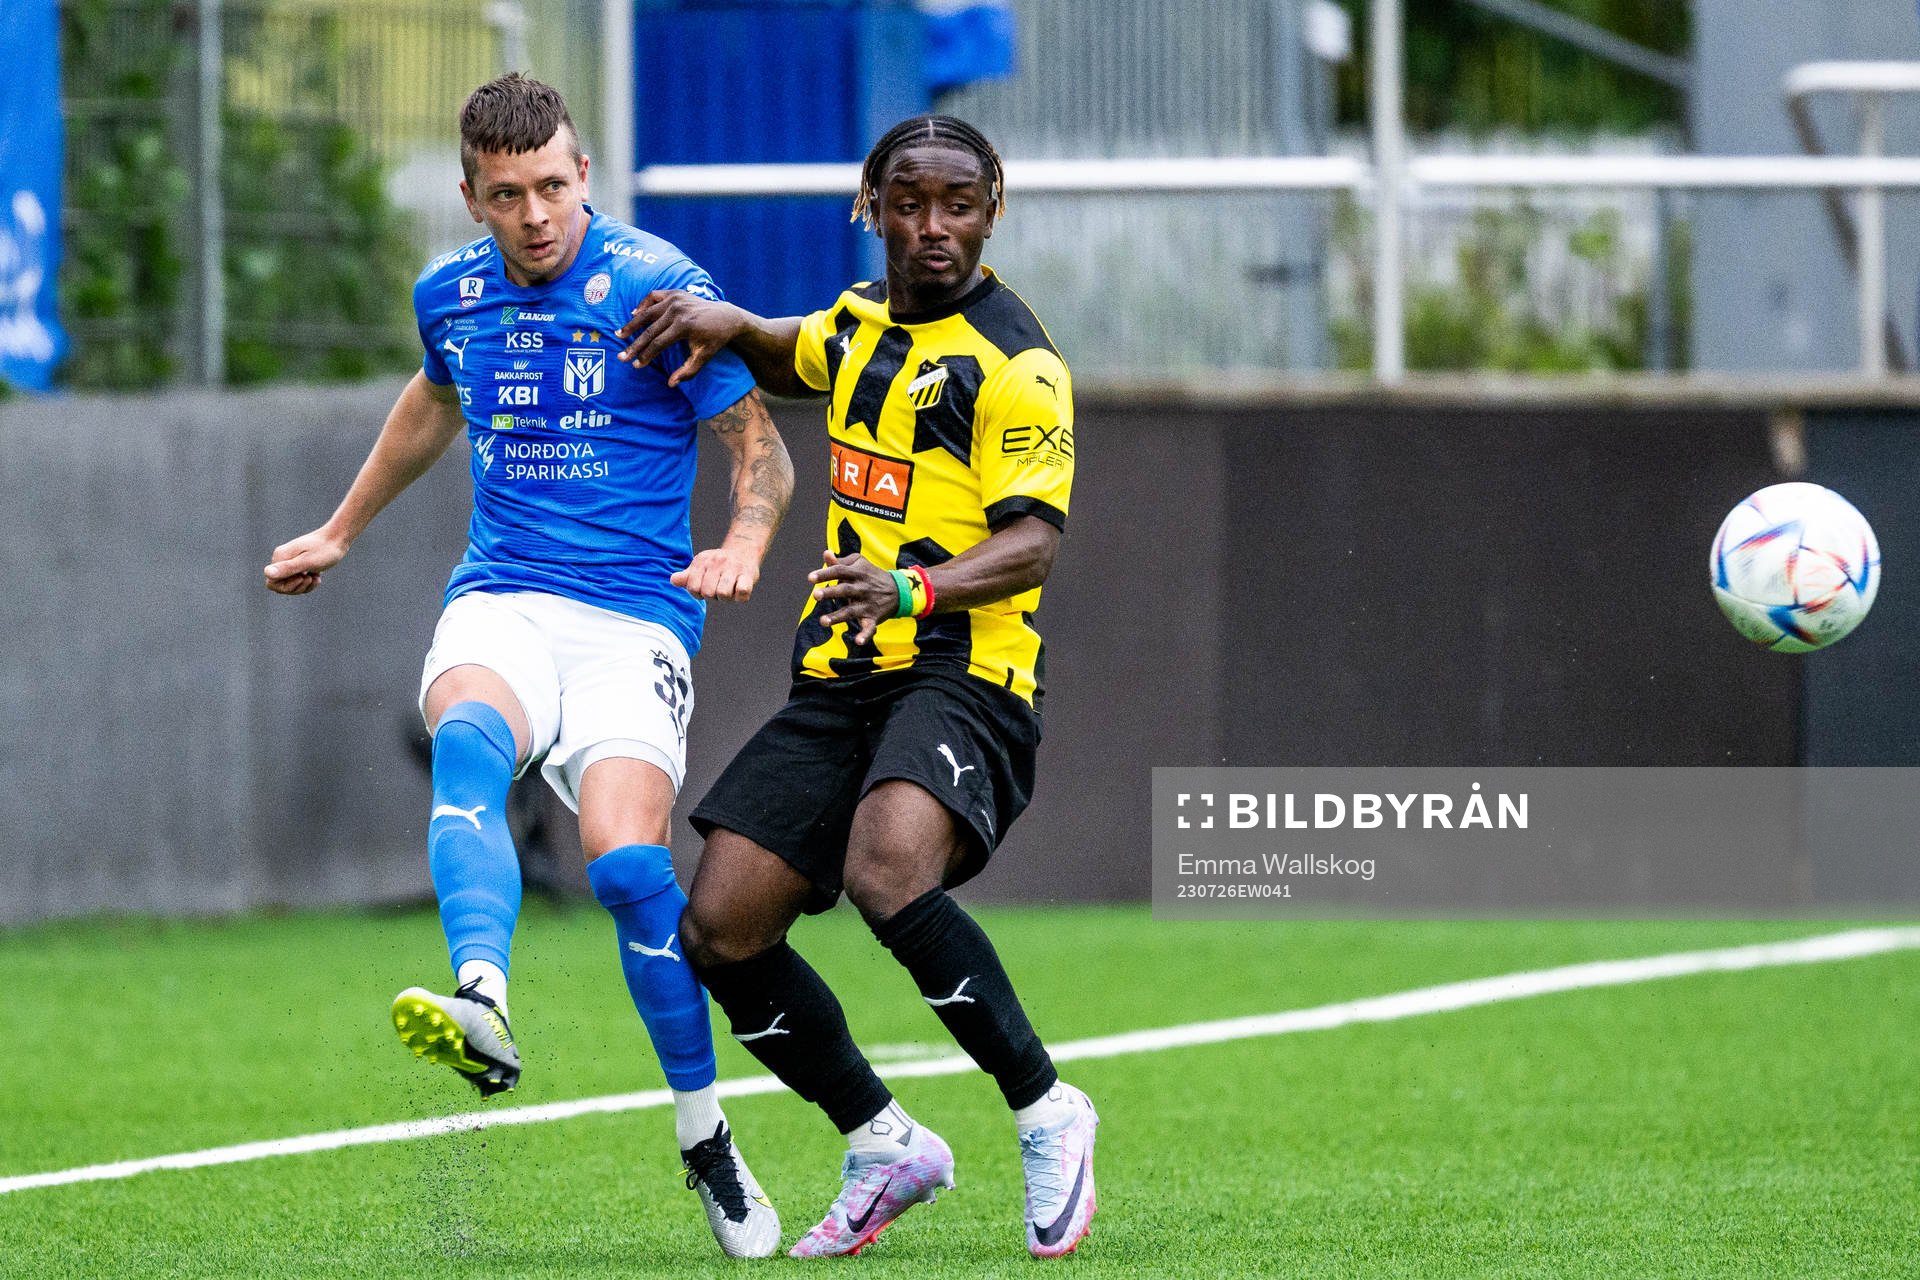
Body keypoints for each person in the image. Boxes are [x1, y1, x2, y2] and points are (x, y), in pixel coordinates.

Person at [262, 74, 791, 1260]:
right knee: (465, 734)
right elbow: (430, 399)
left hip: (636, 623)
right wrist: (341, 529)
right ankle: (486, 999)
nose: (537, 213)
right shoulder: (449, 296)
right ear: (472, 197)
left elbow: (758, 445)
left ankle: (705, 1133)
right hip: (501, 597)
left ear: (585, 176)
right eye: (509, 195)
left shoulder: (657, 286)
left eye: (554, 185)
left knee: (623, 865)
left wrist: (746, 542)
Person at [615, 114, 1096, 1260]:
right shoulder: (859, 318)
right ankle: (883, 1140)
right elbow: (800, 351)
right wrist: (728, 322)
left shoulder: (1017, 366)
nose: (935, 228)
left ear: (992, 212)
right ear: (869, 204)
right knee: (720, 926)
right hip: (841, 671)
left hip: (962, 669)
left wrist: (911, 589)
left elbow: (1030, 546)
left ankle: (1046, 1108)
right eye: (911, 202)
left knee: (889, 865)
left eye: (960, 205)